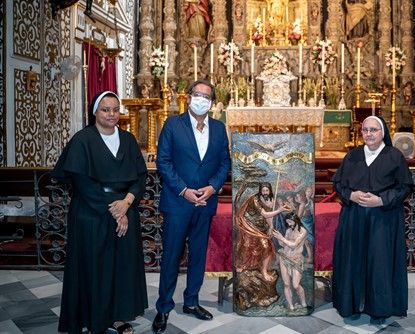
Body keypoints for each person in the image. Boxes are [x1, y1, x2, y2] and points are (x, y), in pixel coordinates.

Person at [53, 91, 148, 334]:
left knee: (120, 268)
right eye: (105, 109)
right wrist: (116, 210)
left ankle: (117, 316)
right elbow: (82, 183)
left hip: (125, 210)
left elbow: (140, 176)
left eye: (115, 109)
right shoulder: (82, 140)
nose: (111, 114)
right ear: (95, 111)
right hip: (91, 213)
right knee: (94, 268)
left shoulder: (127, 139)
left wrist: (126, 203)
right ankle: (92, 317)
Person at [152, 80, 230, 333]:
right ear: (188, 98)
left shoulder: (219, 128)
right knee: (171, 256)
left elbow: (224, 163)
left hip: (206, 202)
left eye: (206, 96)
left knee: (198, 255)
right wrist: (184, 190)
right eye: (197, 94)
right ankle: (164, 307)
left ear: (212, 102)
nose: (201, 99)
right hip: (178, 202)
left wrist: (213, 186)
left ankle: (192, 302)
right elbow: (163, 161)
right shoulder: (173, 125)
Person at [332, 116, 413, 325]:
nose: (369, 134)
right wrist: (350, 195)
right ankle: (350, 305)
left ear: (383, 132)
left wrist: (382, 200)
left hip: (383, 219)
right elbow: (338, 183)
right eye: (365, 130)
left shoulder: (394, 156)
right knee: (353, 259)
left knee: (380, 262)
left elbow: (405, 187)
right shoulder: (352, 156)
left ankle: (379, 308)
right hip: (354, 218)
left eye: (374, 130)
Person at [235, 182, 290, 281]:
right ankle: (243, 265)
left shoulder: (270, 200)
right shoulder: (255, 199)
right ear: (260, 191)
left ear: (270, 191)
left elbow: (270, 215)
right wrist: (280, 210)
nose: (265, 192)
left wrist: (271, 227)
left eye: (267, 190)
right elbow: (265, 214)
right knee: (248, 245)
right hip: (250, 225)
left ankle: (264, 271)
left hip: (262, 227)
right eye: (263, 190)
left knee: (267, 247)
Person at [272, 213, 308, 310]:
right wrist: (279, 239)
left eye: (290, 221)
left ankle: (303, 301)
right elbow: (284, 245)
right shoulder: (288, 231)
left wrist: (282, 238)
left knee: (296, 285)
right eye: (287, 222)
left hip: (296, 260)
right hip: (285, 258)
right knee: (287, 284)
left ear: (295, 220)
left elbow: (294, 245)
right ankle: (291, 305)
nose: (289, 224)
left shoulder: (303, 231)